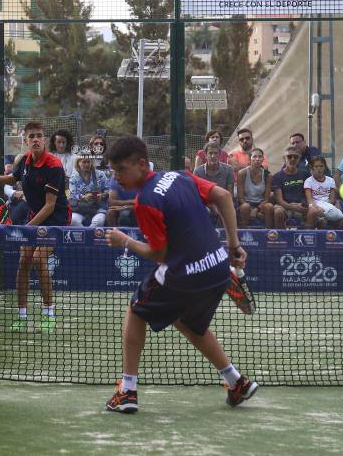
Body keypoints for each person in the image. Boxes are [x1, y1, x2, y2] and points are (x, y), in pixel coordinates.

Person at [102, 135, 256, 414]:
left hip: (185, 274)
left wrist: (125, 240)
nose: (117, 177)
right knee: (188, 323)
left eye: (121, 169)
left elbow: (160, 255)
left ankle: (127, 391)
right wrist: (233, 244)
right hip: (219, 268)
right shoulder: (180, 176)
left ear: (140, 164)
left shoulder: (145, 201)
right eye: (113, 171)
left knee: (136, 310)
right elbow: (222, 196)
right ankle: (236, 382)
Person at [0, 121, 69, 332]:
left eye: (39, 135)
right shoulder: (24, 161)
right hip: (35, 216)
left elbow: (49, 206)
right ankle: (22, 315)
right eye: (31, 136)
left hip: (55, 218)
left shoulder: (54, 166)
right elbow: (12, 179)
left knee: (39, 260)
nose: (36, 139)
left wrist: (26, 228)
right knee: (24, 260)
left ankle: (49, 313)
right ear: (26, 140)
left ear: (44, 139)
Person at [272, 145, 317, 229]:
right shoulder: (277, 177)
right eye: (289, 156)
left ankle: (306, 237)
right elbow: (279, 200)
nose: (292, 159)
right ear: (284, 159)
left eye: (295, 157)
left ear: (299, 159)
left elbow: (310, 196)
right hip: (285, 207)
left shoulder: (306, 174)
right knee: (278, 211)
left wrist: (304, 205)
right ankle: (281, 239)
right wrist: (292, 206)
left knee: (313, 211)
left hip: (302, 207)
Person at [193, 142, 235, 226]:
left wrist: (222, 206)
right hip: (205, 203)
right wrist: (211, 206)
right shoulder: (198, 171)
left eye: (216, 153)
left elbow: (230, 194)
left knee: (226, 210)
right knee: (203, 210)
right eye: (210, 153)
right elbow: (196, 195)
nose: (213, 156)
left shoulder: (228, 169)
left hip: (222, 201)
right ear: (205, 155)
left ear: (219, 155)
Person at [236, 148, 273, 228]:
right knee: (245, 207)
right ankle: (243, 233)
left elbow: (266, 199)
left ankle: (270, 236)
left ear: (263, 159)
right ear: (250, 159)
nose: (257, 159)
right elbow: (240, 198)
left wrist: (256, 210)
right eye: (254, 156)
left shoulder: (268, 175)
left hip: (260, 204)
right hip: (245, 203)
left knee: (269, 206)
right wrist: (250, 210)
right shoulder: (242, 173)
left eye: (260, 157)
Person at [304, 156, 343, 228]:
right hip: (314, 206)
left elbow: (332, 199)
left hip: (327, 205)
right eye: (316, 166)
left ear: (325, 167)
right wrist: (317, 207)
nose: (319, 168)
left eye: (321, 166)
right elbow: (310, 200)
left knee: (342, 219)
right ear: (312, 168)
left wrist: (326, 208)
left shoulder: (330, 180)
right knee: (316, 214)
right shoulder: (308, 181)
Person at [68, 155, 108, 227]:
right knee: (73, 220)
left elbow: (108, 190)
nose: (86, 164)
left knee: (98, 221)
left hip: (98, 209)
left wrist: (102, 196)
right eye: (84, 162)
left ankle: (89, 237)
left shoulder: (101, 174)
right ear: (78, 163)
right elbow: (72, 194)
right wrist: (83, 197)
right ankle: (86, 236)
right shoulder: (74, 177)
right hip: (80, 209)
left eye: (88, 162)